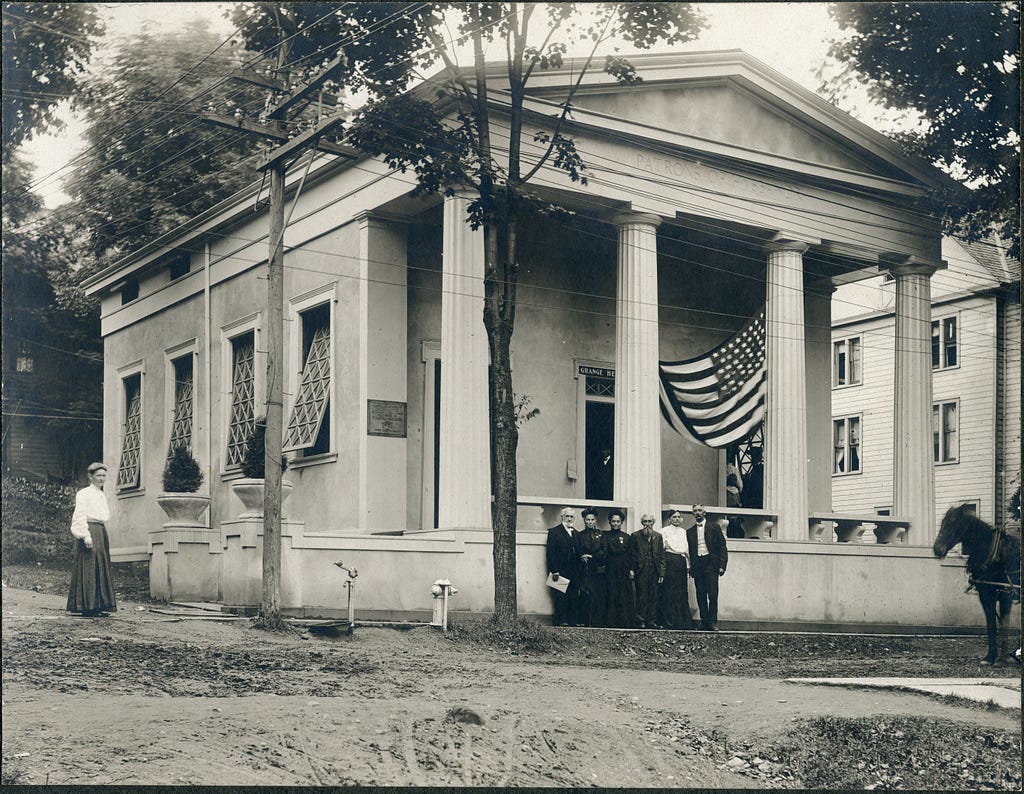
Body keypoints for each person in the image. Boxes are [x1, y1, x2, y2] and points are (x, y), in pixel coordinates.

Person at [67, 462, 118, 617]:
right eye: (98, 476)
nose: (101, 479)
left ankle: (99, 605)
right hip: (89, 530)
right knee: (89, 566)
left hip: (100, 531)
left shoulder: (101, 494)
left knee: (101, 565)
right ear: (91, 477)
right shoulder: (83, 494)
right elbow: (80, 515)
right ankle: (86, 606)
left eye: (103, 476)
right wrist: (86, 536)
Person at [686, 504, 728, 631]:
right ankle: (704, 622)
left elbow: (722, 547)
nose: (697, 513)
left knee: (713, 594)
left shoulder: (714, 527)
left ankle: (712, 622)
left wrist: (722, 566)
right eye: (695, 511)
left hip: (711, 563)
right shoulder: (690, 531)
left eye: (700, 510)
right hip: (698, 564)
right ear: (693, 514)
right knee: (701, 594)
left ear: (704, 512)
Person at [546, 507, 583, 626]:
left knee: (573, 596)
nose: (569, 519)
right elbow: (550, 553)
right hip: (560, 571)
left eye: (572, 517)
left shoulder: (577, 534)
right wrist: (554, 570)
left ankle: (572, 622)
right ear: (562, 517)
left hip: (574, 571)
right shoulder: (554, 532)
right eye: (567, 516)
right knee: (560, 597)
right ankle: (560, 622)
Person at [657, 510, 694, 630]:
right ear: (669, 519)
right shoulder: (664, 531)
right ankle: (668, 621)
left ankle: (682, 622)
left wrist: (689, 565)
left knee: (681, 591)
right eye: (674, 517)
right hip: (669, 560)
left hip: (681, 561)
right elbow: (661, 548)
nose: (677, 519)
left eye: (679, 517)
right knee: (669, 591)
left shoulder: (684, 532)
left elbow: (686, 550)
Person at [628, 513, 665, 629]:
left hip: (654, 570)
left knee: (653, 596)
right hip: (641, 569)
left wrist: (662, 573)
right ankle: (641, 620)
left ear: (653, 522)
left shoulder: (658, 536)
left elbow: (662, 555)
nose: (647, 524)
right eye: (645, 522)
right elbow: (630, 555)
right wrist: (631, 569)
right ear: (642, 523)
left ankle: (651, 621)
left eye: (649, 521)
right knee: (641, 595)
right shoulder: (635, 536)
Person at [603, 509, 635, 628]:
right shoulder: (605, 535)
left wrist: (631, 569)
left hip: (623, 569)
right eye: (613, 521)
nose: (615, 523)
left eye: (618, 521)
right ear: (609, 522)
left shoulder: (627, 537)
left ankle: (625, 623)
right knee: (611, 594)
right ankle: (610, 623)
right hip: (610, 568)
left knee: (624, 595)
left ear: (621, 522)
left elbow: (631, 554)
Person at [577, 508, 607, 627]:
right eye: (587, 519)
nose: (590, 522)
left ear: (596, 520)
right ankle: (584, 621)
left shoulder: (601, 534)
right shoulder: (579, 535)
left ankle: (597, 622)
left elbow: (604, 550)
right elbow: (578, 549)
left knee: (598, 594)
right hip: (585, 568)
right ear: (584, 520)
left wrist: (592, 556)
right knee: (585, 594)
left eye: (592, 519)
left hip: (598, 568)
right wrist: (582, 556)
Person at [725, 462, 745, 539]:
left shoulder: (736, 491)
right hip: (730, 510)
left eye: (734, 479)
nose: (733, 481)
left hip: (736, 510)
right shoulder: (727, 490)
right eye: (732, 479)